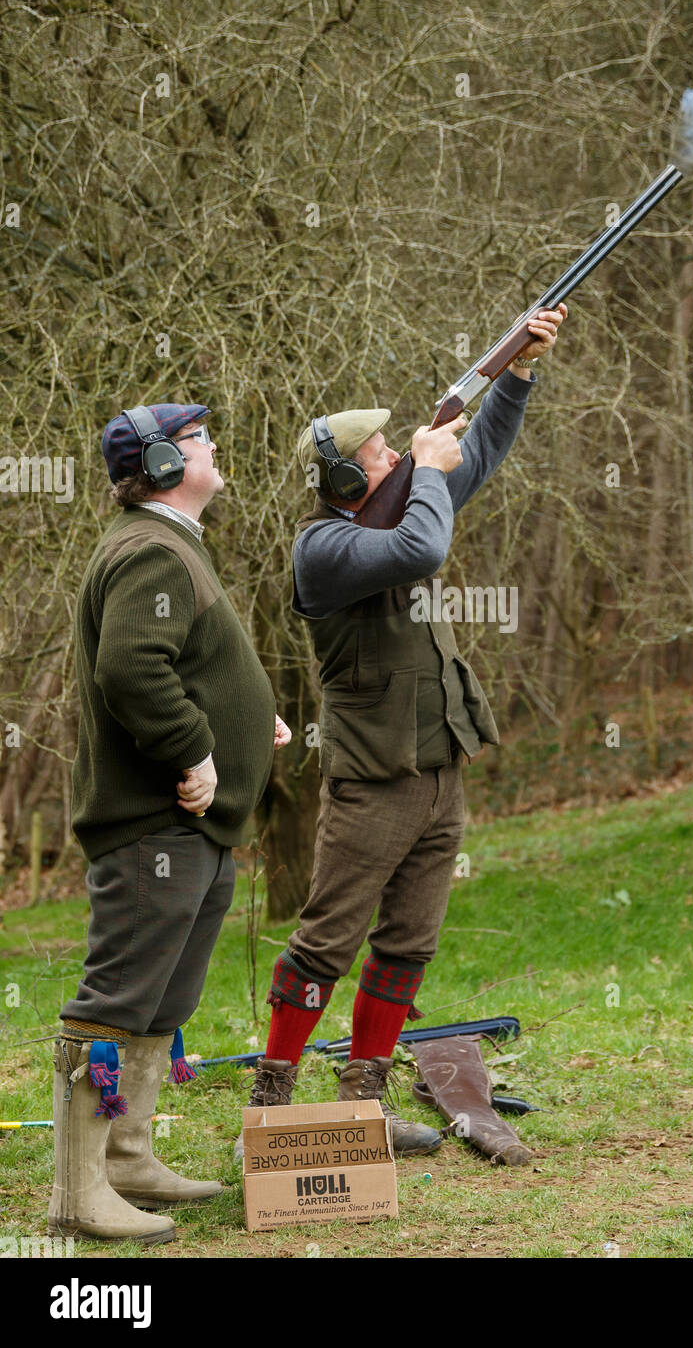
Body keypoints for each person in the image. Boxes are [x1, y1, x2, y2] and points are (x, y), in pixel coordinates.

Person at [237, 305, 568, 1155]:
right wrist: (423, 465)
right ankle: (272, 1105)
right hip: (376, 775)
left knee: (408, 945)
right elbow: (421, 547)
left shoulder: (401, 502)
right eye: (383, 454)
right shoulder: (324, 548)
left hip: (438, 764)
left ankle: (364, 1100)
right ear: (353, 483)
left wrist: (517, 371)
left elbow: (478, 455)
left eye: (395, 450)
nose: (397, 456)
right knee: (325, 943)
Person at [50, 402, 291, 1244]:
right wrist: (196, 748)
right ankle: (80, 1193)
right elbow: (130, 665)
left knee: (162, 1000)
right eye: (197, 439)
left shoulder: (173, 543)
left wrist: (244, 720)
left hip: (193, 830)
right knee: (117, 1002)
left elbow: (181, 661)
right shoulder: (151, 547)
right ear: (158, 461)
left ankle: (127, 1158)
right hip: (155, 824)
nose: (215, 444)